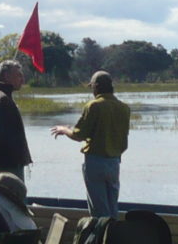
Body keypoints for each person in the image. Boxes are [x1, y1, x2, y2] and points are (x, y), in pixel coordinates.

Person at [51, 70, 131, 218]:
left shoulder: (93, 106)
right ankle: (112, 237)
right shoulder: (124, 108)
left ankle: (100, 239)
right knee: (113, 207)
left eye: (92, 87)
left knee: (98, 210)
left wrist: (64, 130)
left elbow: (78, 135)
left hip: (95, 162)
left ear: (97, 87)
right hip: (114, 163)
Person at [0, 59, 31, 180]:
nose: (22, 80)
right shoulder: (2, 100)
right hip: (10, 163)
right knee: (14, 196)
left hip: (9, 162)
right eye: (18, 75)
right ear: (6, 76)